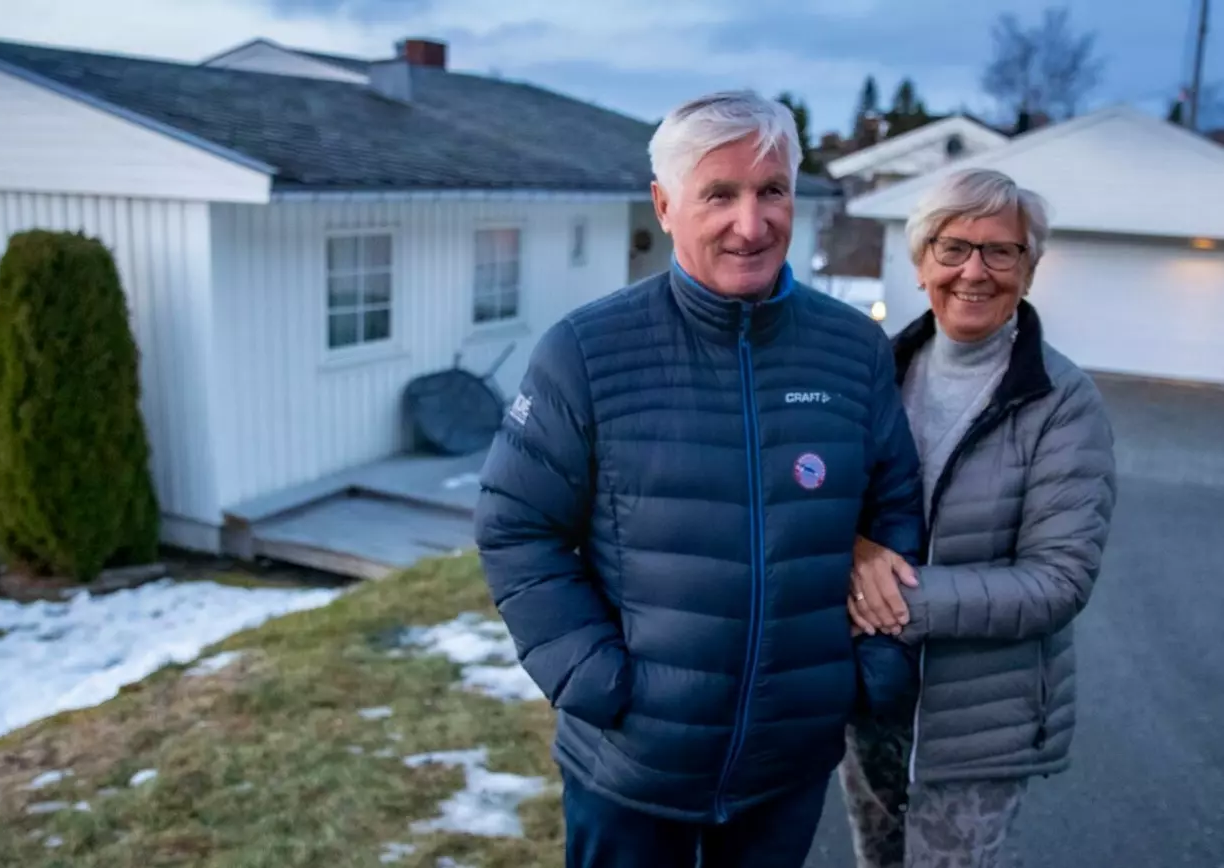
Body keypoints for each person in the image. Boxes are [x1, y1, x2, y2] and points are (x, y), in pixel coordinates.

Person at [474, 89, 925, 868]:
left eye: (771, 191)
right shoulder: (586, 351)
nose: (750, 225)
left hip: (785, 769)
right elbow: (517, 527)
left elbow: (894, 505)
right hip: (629, 771)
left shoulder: (852, 350)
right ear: (664, 204)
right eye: (719, 194)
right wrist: (597, 681)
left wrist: (865, 675)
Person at [840, 168, 1118, 868]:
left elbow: (1059, 580)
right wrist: (849, 550)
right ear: (920, 259)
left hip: (976, 726)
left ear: (1029, 268)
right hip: (869, 700)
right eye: (952, 247)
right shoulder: (875, 373)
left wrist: (897, 599)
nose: (974, 271)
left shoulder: (1061, 403)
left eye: (1001, 251)